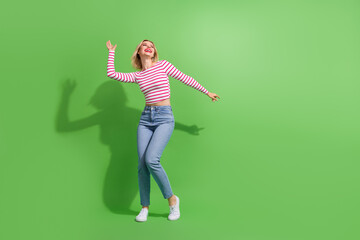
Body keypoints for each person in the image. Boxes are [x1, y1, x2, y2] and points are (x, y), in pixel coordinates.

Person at [106, 39, 220, 222]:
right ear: (139, 52)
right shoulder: (138, 76)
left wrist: (206, 92)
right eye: (145, 45)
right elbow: (111, 73)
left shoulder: (163, 66)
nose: (149, 47)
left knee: (152, 159)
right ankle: (144, 207)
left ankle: (172, 200)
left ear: (154, 52)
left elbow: (185, 78)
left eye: (152, 46)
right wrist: (111, 52)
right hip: (145, 119)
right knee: (142, 165)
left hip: (164, 118)